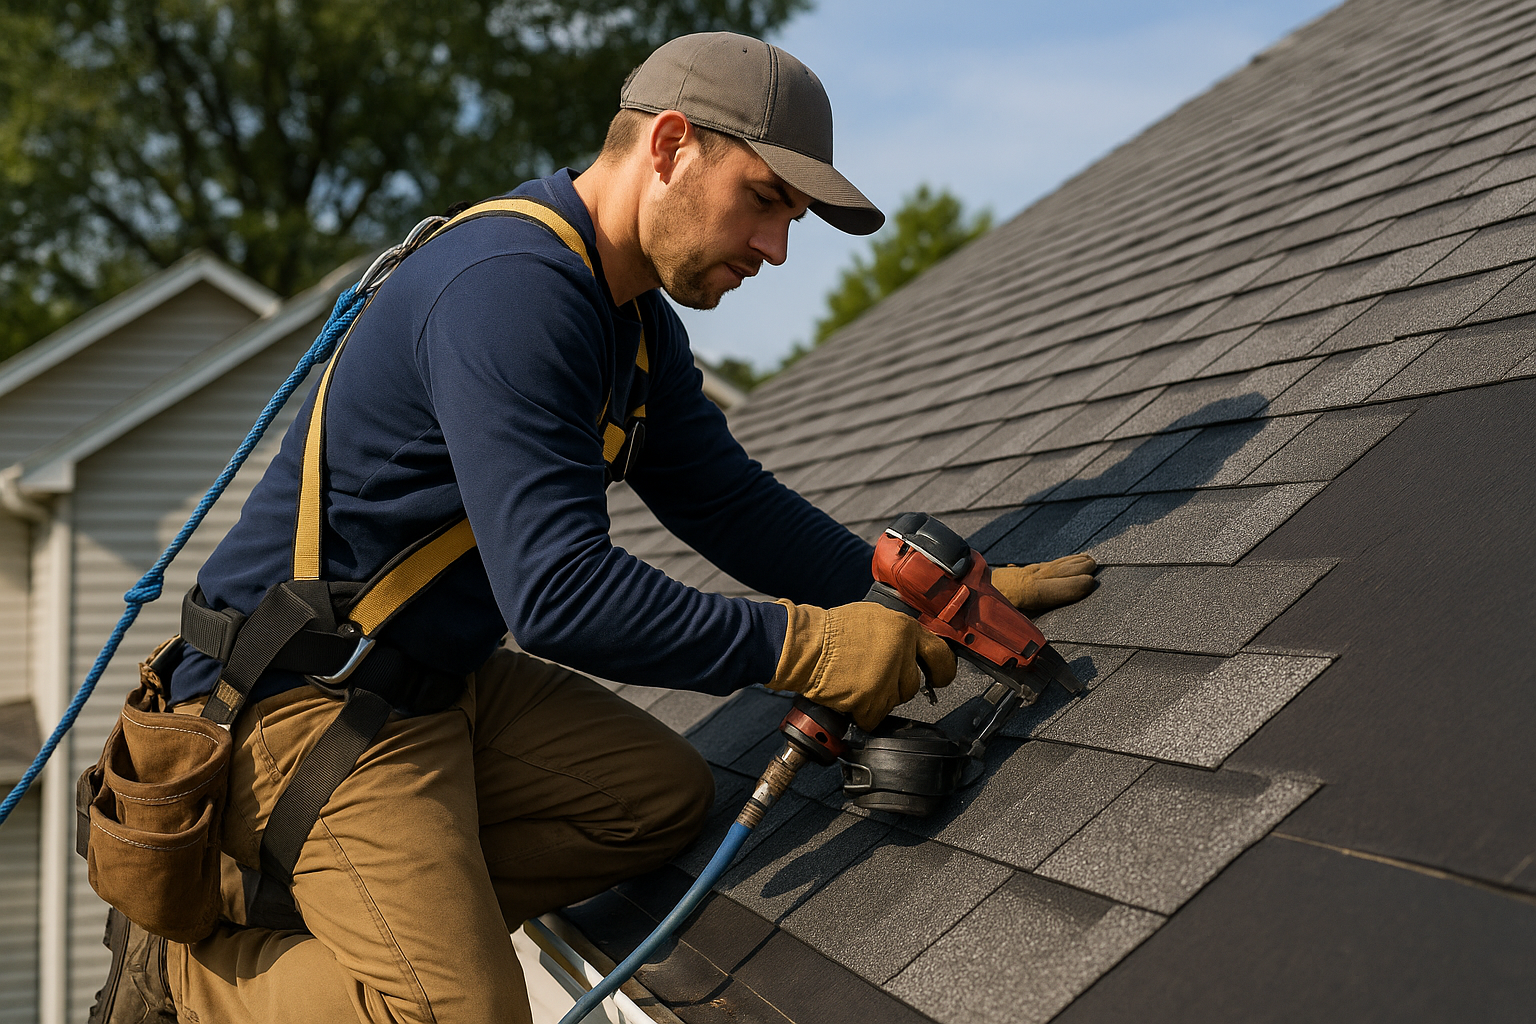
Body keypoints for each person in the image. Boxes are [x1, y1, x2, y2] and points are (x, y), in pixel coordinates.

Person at [90, 31, 1097, 1024]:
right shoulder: (510, 289)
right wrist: (810, 645)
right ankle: (192, 976)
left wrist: (918, 594)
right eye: (764, 201)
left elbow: (728, 502)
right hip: (304, 705)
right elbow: (560, 595)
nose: (778, 249)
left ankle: (358, 936)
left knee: (652, 802)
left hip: (439, 687)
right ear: (668, 147)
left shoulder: (634, 326)